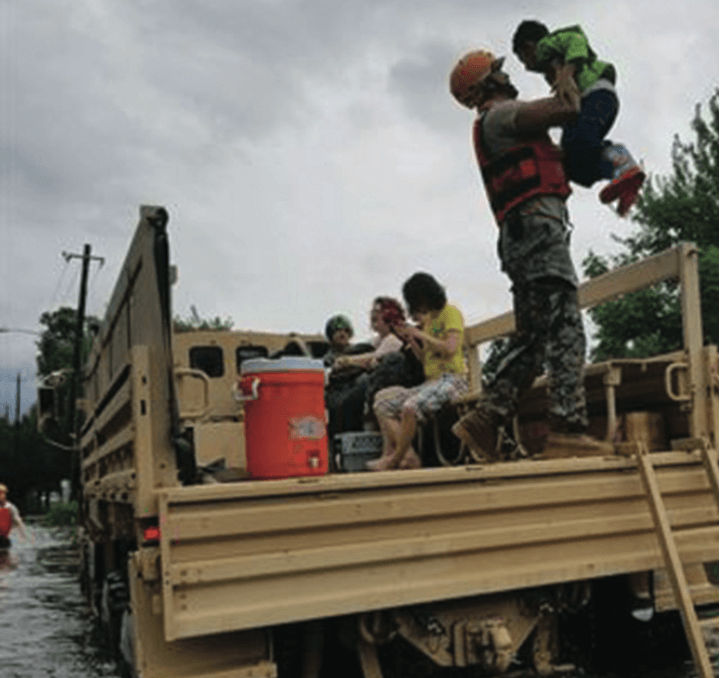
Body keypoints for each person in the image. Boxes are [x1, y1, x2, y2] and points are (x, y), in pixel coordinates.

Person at [449, 49, 613, 459]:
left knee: (536, 339)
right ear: (486, 85)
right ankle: (567, 429)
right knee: (564, 327)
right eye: (499, 72)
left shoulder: (496, 122)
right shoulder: (502, 115)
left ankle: (486, 420)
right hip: (536, 231)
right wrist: (565, 67)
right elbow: (568, 107)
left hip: (523, 233)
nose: (508, 76)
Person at [512, 20, 645, 217]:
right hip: (589, 102)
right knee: (572, 162)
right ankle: (623, 181)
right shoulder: (553, 64)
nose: (526, 67)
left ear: (529, 47)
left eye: (524, 60)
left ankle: (620, 160)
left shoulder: (546, 45)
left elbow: (576, 38)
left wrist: (568, 72)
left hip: (596, 94)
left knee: (582, 139)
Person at [368, 273, 468, 471]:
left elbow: (450, 348)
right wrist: (413, 341)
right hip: (432, 382)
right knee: (382, 400)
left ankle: (396, 459)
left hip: (454, 380)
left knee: (410, 407)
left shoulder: (451, 313)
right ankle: (408, 455)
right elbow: (425, 359)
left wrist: (420, 334)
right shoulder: (430, 320)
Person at [0, 484, 28, 550]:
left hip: (4, 538)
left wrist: (23, 535)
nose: (1, 495)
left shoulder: (10, 507)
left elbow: (18, 521)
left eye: (2, 493)